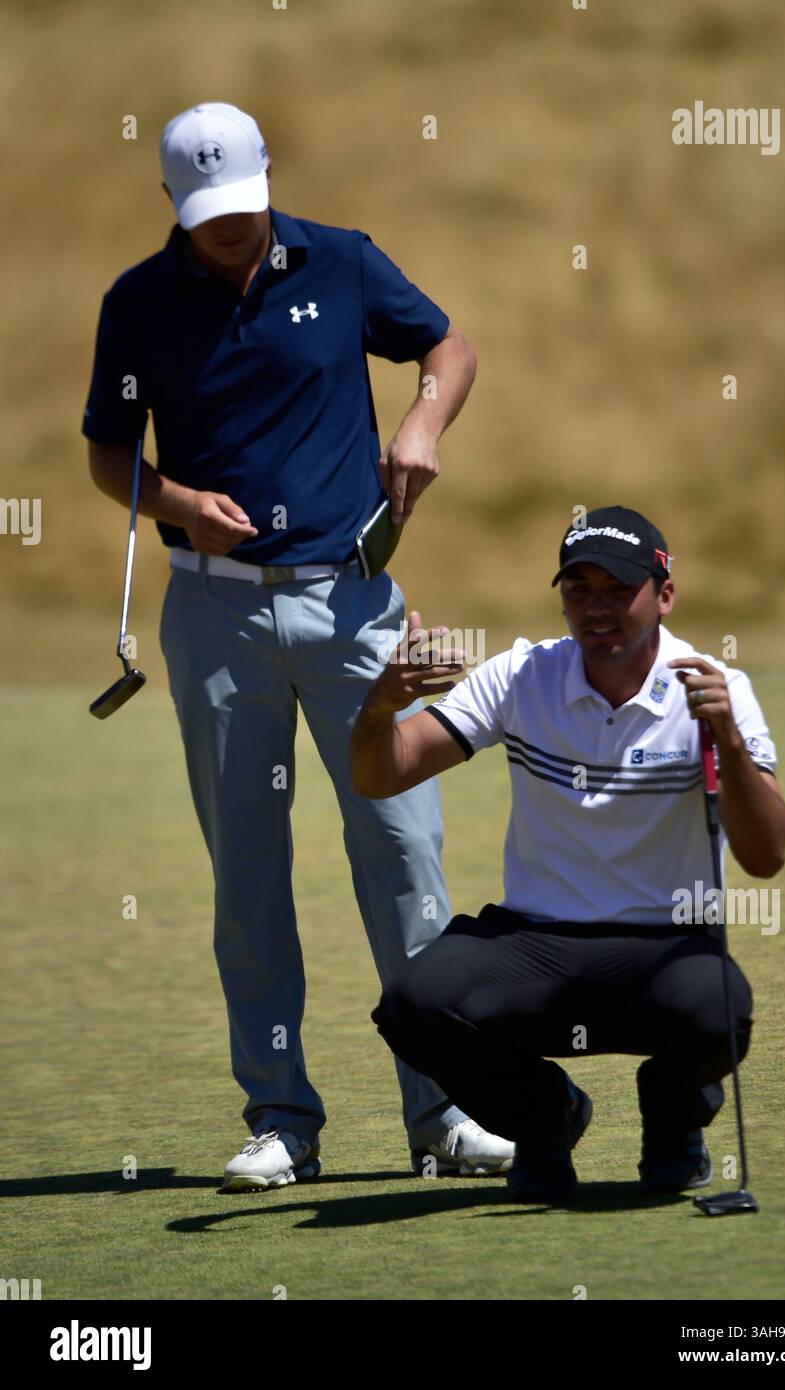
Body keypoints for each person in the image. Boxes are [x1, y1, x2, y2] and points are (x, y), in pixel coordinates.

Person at [83, 101, 515, 1189]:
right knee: (249, 872)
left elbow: (448, 345)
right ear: (171, 204)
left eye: (242, 207)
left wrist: (420, 419)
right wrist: (175, 497)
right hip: (215, 612)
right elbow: (106, 455)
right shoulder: (138, 304)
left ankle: (444, 1110)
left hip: (355, 610)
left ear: (269, 177)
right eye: (204, 214)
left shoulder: (343, 261)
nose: (229, 231)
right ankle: (281, 1117)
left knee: (405, 854)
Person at [351, 505, 785, 1202]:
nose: (597, 608)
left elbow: (765, 856)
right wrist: (380, 708)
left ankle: (673, 1121)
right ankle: (545, 1117)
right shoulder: (521, 676)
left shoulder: (715, 691)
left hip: (663, 942)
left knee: (717, 1009)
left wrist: (728, 742)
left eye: (618, 589)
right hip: (535, 940)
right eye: (577, 589)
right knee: (415, 1004)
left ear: (663, 594)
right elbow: (382, 774)